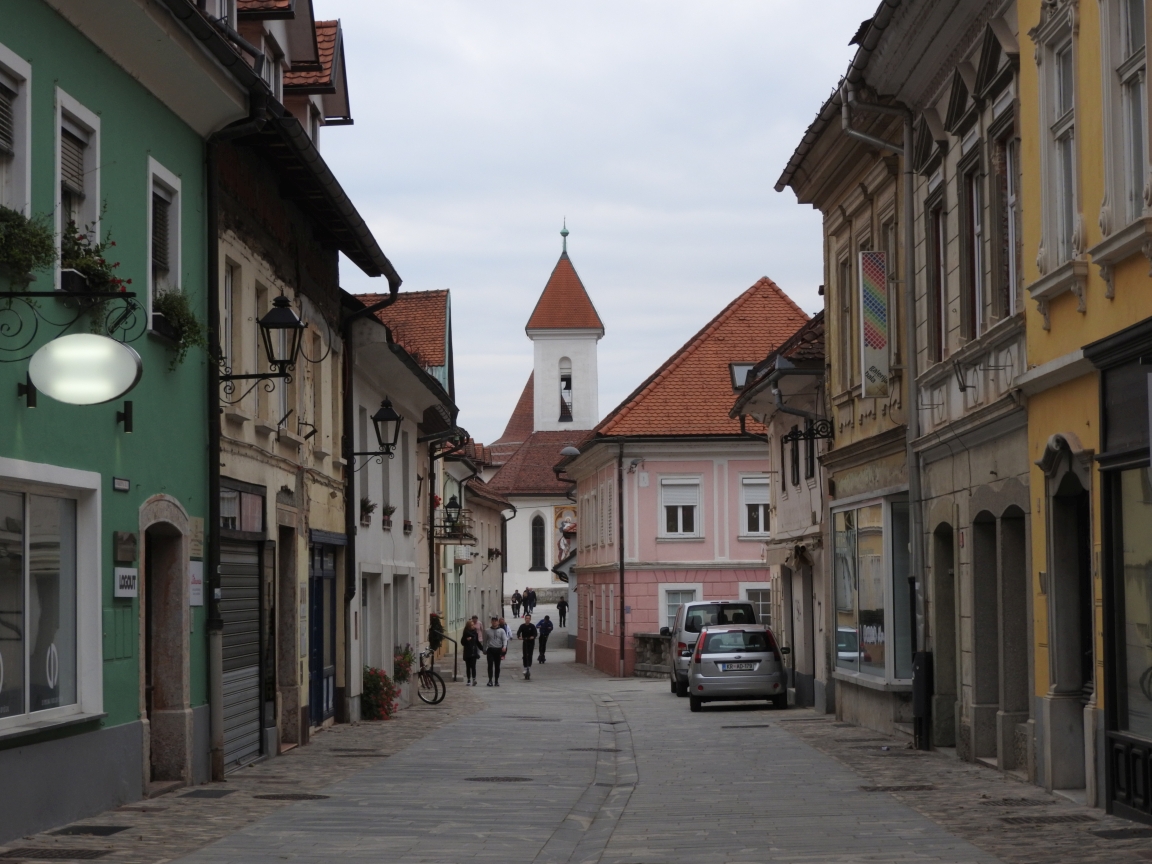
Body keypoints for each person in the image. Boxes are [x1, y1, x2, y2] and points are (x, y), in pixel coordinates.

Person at [484, 615, 509, 686]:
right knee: (490, 665)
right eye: (493, 621)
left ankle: (496, 680)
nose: (494, 622)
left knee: (497, 666)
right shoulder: (487, 631)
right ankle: (490, 680)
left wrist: (504, 646)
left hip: (498, 649)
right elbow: (485, 641)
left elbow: (505, 639)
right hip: (490, 649)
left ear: (498, 622)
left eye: (495, 621)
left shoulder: (501, 630)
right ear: (491, 622)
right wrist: (484, 649)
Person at [517, 614, 539, 679]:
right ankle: (525, 667)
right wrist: (519, 637)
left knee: (530, 655)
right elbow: (518, 632)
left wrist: (533, 637)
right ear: (525, 619)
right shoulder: (522, 626)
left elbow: (535, 633)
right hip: (525, 641)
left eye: (528, 618)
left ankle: (529, 667)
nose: (527, 619)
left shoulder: (532, 626)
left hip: (531, 642)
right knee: (524, 655)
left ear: (530, 619)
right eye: (526, 618)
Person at [461, 619, 482, 686]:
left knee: (473, 666)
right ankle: (468, 680)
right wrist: (466, 640)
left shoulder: (475, 633)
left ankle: (474, 679)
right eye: (472, 625)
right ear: (469, 626)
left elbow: (477, 642)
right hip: (467, 651)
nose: (473, 626)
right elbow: (462, 642)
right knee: (468, 666)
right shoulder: (465, 633)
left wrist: (483, 649)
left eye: (473, 625)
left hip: (473, 651)